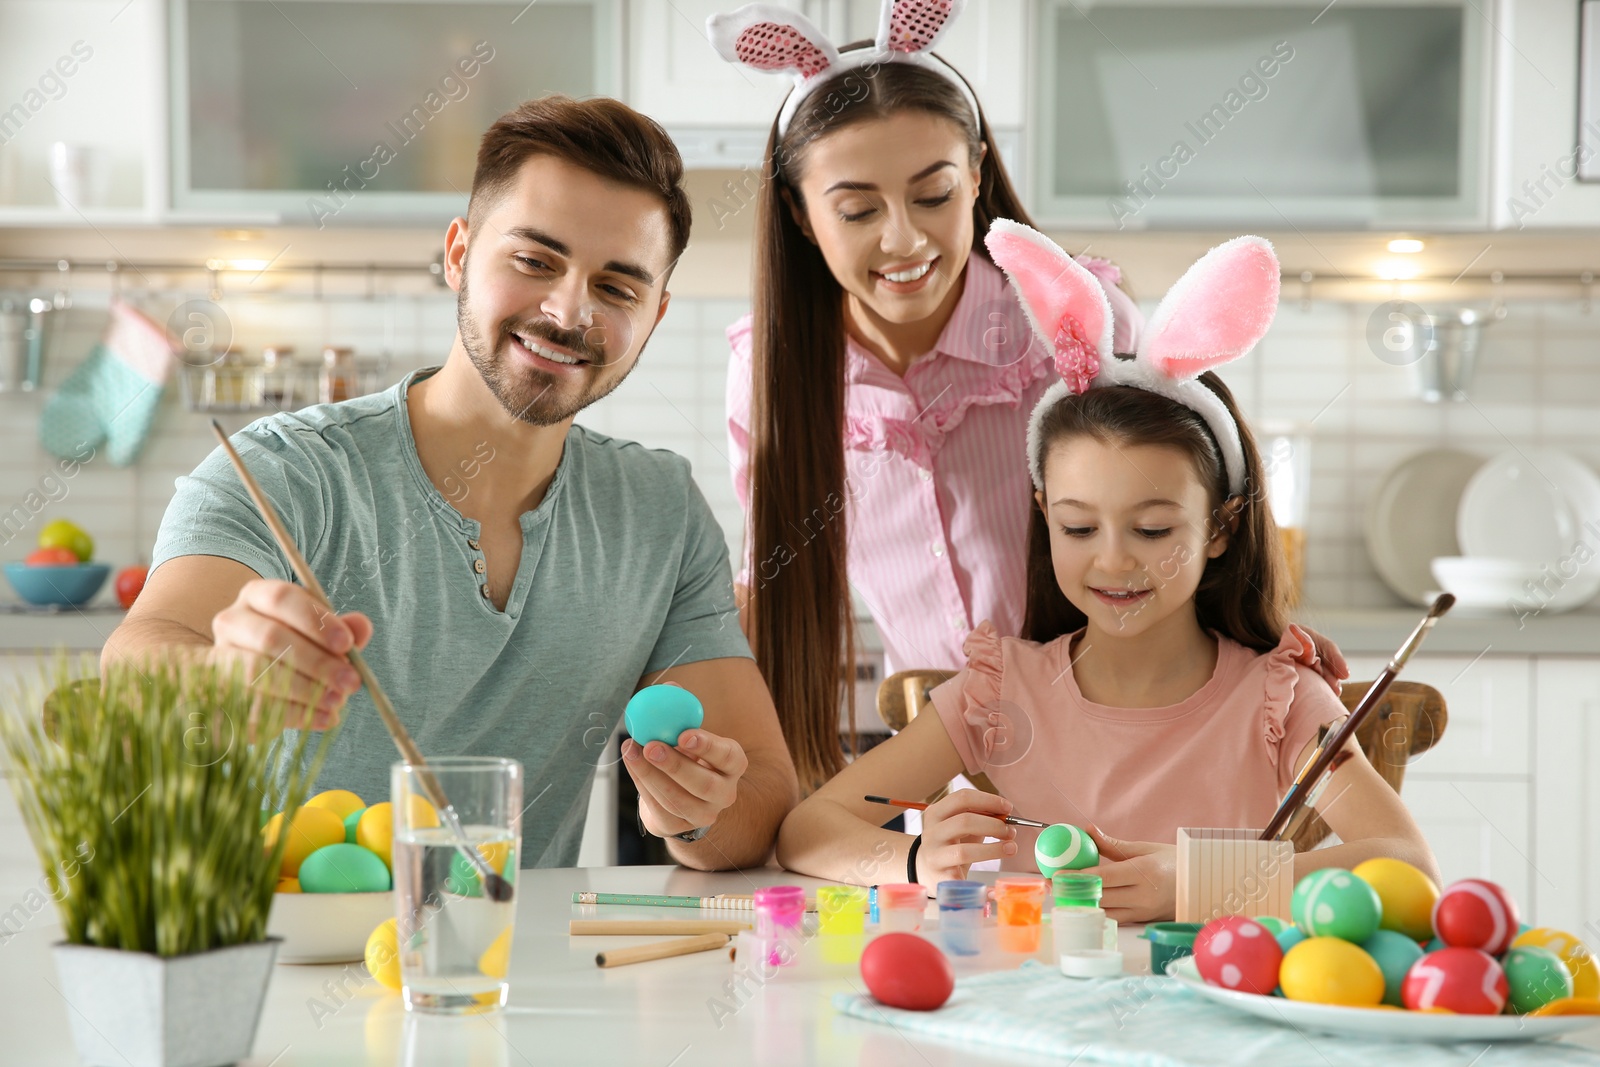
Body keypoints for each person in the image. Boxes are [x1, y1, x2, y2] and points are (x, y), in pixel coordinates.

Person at [104, 96, 798, 870]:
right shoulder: (287, 471)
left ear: (657, 313)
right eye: (535, 261)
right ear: (460, 255)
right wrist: (216, 680)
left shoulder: (658, 511)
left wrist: (701, 810)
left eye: (617, 287)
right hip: (277, 967)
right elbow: (140, 659)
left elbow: (764, 791)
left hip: (501, 975)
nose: (569, 311)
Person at [708, 0, 1347, 793]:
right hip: (943, 751)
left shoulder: (1068, 322)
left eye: (933, 195)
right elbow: (764, 584)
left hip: (1113, 739)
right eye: (858, 210)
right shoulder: (772, 375)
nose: (902, 238)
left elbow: (1179, 511)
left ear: (977, 173)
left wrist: (1263, 637)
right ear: (802, 216)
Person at [775, 222, 1439, 920]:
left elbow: (1408, 862)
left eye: (1153, 529)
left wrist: (1192, 882)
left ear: (1221, 526)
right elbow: (806, 829)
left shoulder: (1276, 698)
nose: (1114, 560)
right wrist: (912, 859)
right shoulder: (1000, 691)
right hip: (1019, 1016)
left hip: (1203, 1012)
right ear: (1043, 515)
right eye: (1079, 527)